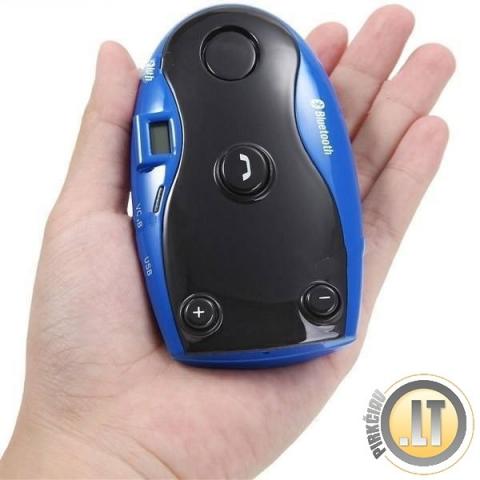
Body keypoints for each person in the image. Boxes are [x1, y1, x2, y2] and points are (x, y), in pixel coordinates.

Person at [0, 5, 455, 479]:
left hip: (210, 323)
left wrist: (89, 445)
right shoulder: (205, 55)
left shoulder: (210, 53)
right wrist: (97, 445)